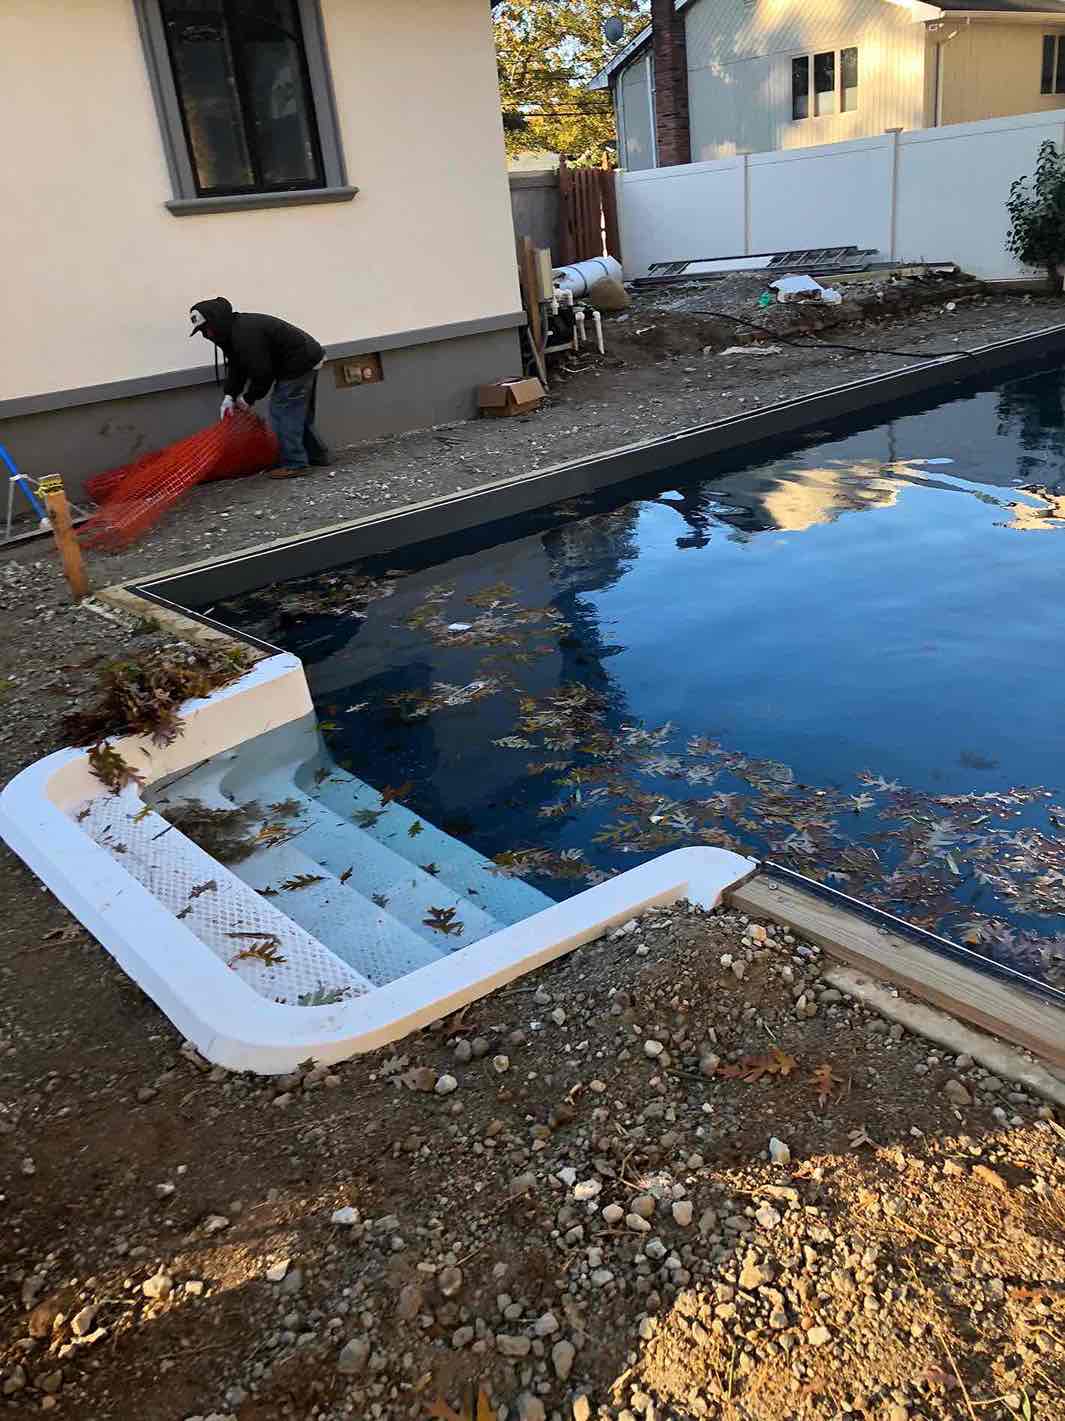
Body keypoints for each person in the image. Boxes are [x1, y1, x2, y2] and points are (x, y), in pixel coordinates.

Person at [189, 297, 329, 479]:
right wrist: (230, 395)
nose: (206, 335)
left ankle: (295, 464)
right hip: (307, 357)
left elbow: (262, 373)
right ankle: (316, 456)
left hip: (299, 363)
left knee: (282, 413)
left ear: (217, 321)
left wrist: (249, 398)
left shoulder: (244, 335)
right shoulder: (230, 332)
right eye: (202, 331)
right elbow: (237, 365)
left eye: (207, 328)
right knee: (296, 414)